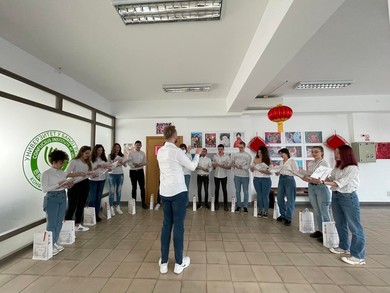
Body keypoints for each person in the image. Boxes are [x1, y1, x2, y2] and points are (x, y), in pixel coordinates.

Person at [157, 125, 201, 274]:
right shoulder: (176, 151)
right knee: (179, 227)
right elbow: (192, 166)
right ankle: (179, 263)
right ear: (175, 136)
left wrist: (186, 151)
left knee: (166, 225)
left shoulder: (160, 151)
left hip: (165, 191)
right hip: (178, 192)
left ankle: (163, 262)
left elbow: (174, 161)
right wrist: (197, 154)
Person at [323, 145, 366, 265]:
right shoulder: (338, 167)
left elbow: (340, 183)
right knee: (340, 222)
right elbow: (331, 178)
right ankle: (343, 246)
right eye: (335, 153)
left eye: (338, 153)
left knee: (355, 227)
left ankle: (358, 256)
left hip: (348, 197)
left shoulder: (352, 168)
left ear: (346, 154)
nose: (336, 155)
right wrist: (319, 176)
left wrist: (323, 181)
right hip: (336, 195)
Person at [41, 150, 74, 255]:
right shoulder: (46, 174)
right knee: (51, 222)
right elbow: (45, 189)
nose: (62, 165)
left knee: (59, 221)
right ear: (53, 162)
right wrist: (58, 184)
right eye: (60, 163)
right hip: (52, 198)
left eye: (63, 163)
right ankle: (50, 243)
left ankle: (55, 241)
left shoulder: (62, 173)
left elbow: (64, 184)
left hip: (62, 196)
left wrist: (69, 185)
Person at [301, 146, 331, 242]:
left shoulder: (323, 163)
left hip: (321, 188)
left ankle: (328, 233)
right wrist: (304, 177)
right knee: (316, 210)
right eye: (312, 152)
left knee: (324, 212)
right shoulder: (310, 163)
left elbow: (320, 177)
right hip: (312, 187)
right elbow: (310, 176)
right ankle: (320, 231)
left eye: (316, 152)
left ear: (321, 153)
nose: (314, 154)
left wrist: (309, 177)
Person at [65, 146, 93, 232]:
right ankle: (67, 226)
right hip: (75, 185)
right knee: (72, 206)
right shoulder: (74, 161)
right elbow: (66, 174)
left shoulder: (88, 162)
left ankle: (78, 224)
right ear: (81, 152)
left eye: (89, 153)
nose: (88, 155)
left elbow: (88, 173)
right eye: (86, 153)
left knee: (82, 204)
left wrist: (92, 174)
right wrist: (79, 174)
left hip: (85, 183)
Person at [275, 148, 298, 226]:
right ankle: (283, 214)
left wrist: (288, 171)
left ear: (286, 153)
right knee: (279, 198)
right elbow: (279, 171)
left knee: (290, 199)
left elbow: (296, 172)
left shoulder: (292, 161)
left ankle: (288, 218)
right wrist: (277, 172)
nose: (281, 155)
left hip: (289, 179)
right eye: (280, 154)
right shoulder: (281, 162)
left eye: (282, 154)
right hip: (281, 179)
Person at [250, 146, 272, 218]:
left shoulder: (268, 160)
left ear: (264, 152)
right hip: (256, 179)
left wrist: (264, 171)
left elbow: (271, 172)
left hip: (266, 179)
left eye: (260, 152)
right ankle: (260, 210)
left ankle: (265, 211)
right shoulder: (255, 159)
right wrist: (252, 168)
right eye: (258, 152)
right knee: (259, 195)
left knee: (265, 196)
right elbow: (252, 169)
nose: (259, 153)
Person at [89, 144, 108, 222]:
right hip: (93, 180)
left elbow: (107, 167)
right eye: (99, 150)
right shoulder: (91, 159)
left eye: (101, 150)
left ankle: (96, 215)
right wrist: (96, 167)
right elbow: (88, 169)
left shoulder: (103, 158)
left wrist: (107, 167)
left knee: (98, 198)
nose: (100, 152)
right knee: (92, 199)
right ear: (95, 150)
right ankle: (90, 215)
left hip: (102, 179)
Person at [232, 141, 252, 214]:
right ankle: (238, 206)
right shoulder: (235, 155)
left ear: (244, 147)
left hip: (245, 176)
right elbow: (233, 163)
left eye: (241, 147)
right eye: (239, 147)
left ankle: (245, 206)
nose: (240, 148)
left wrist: (241, 167)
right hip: (237, 176)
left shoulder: (248, 155)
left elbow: (248, 166)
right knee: (237, 192)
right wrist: (235, 166)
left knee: (245, 192)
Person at [108, 143, 127, 216]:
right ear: (113, 148)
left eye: (118, 147)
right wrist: (115, 164)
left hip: (120, 174)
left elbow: (125, 165)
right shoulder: (110, 156)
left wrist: (122, 163)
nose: (117, 148)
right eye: (116, 147)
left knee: (118, 191)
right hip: (112, 175)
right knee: (111, 192)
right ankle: (111, 207)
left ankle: (118, 207)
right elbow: (109, 166)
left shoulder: (122, 156)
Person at [128, 140, 148, 209]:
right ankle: (134, 204)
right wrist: (134, 166)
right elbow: (129, 162)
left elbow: (145, 162)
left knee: (142, 188)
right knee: (134, 188)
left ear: (141, 146)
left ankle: (143, 204)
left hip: (140, 171)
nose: (138, 146)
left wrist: (141, 164)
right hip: (133, 171)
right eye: (137, 145)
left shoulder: (143, 153)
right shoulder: (131, 153)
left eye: (139, 145)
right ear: (135, 145)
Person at [212, 144, 231, 211]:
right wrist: (214, 165)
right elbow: (213, 167)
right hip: (216, 175)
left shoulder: (227, 157)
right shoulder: (215, 156)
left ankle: (225, 205)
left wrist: (221, 165)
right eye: (219, 149)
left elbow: (229, 167)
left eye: (221, 149)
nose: (220, 150)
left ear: (223, 149)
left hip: (223, 176)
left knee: (224, 190)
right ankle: (216, 204)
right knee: (216, 190)